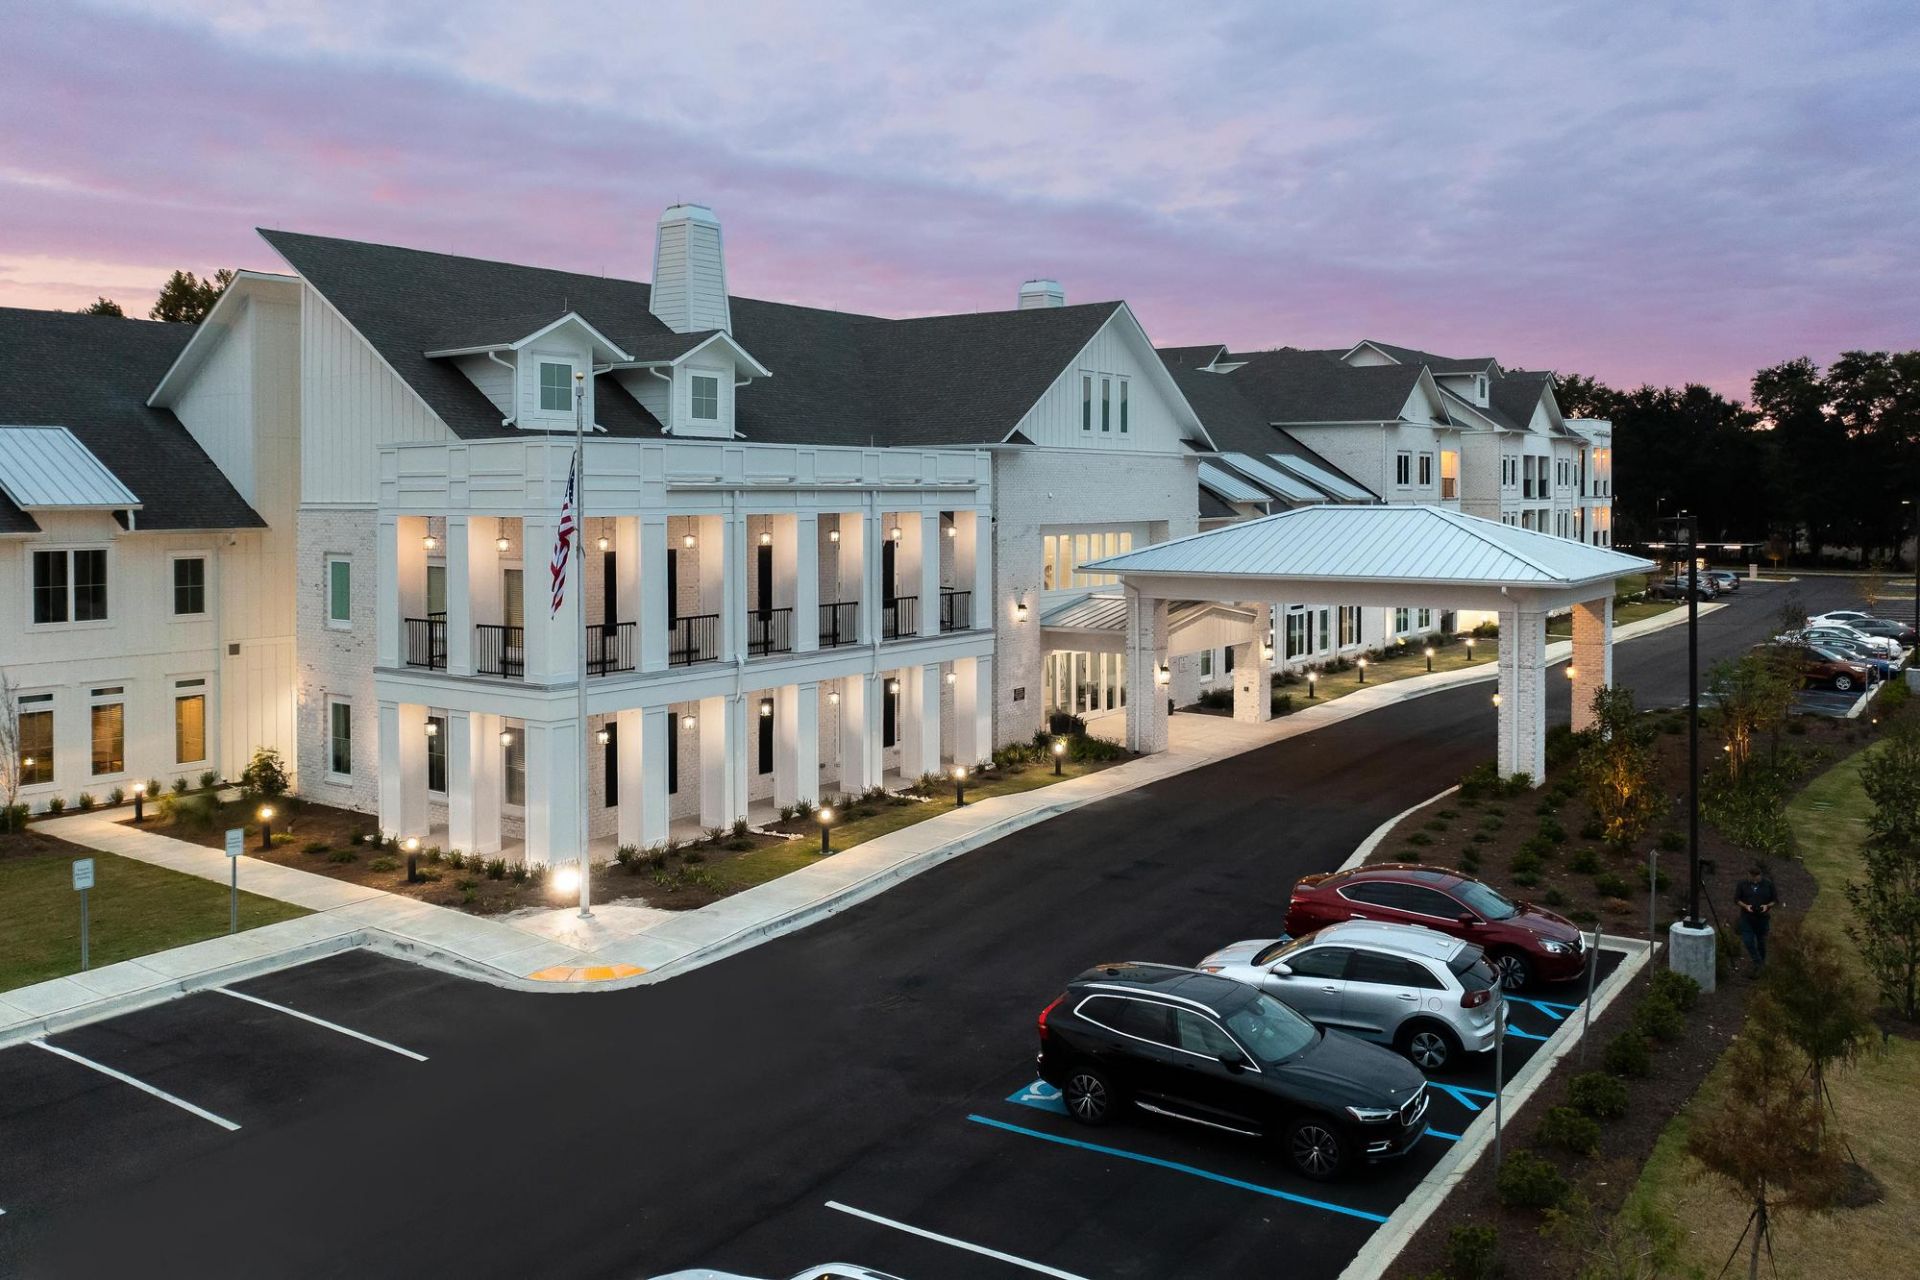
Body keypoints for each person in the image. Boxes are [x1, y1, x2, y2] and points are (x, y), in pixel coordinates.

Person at [1734, 862, 1779, 972]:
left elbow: (1775, 900)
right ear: (1748, 875)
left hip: (1762, 918)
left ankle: (1761, 963)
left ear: (1760, 875)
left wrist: (1767, 906)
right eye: (1751, 877)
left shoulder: (1768, 884)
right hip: (1747, 917)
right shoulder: (1742, 884)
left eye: (1756, 877)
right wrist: (1745, 906)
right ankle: (1757, 961)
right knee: (1748, 940)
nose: (1754, 880)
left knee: (1761, 941)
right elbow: (1736, 899)